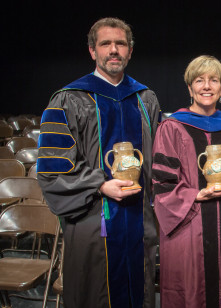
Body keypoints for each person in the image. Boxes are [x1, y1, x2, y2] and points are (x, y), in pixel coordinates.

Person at [37, 17, 160, 308]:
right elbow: (54, 167)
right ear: (93, 51)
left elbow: (163, 157)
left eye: (121, 44)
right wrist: (101, 185)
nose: (114, 50)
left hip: (139, 220)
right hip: (94, 218)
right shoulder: (68, 99)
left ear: (130, 51)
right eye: (106, 44)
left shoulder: (145, 98)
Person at [152, 55, 221, 308]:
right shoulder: (172, 127)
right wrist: (196, 195)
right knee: (189, 290)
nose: (206, 86)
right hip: (189, 225)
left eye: (214, 80)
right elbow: (162, 183)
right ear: (189, 88)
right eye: (199, 80)